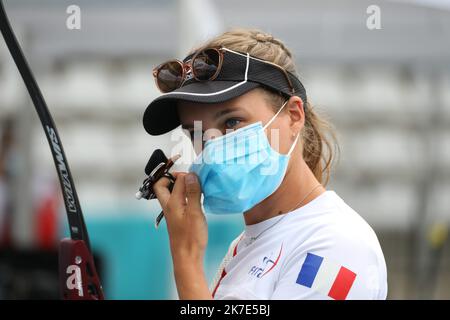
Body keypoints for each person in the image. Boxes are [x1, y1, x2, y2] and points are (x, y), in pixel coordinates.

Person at [143, 28, 387, 300]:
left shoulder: (337, 245)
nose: (212, 144)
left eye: (232, 122)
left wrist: (186, 259)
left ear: (294, 116)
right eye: (196, 133)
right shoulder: (248, 243)